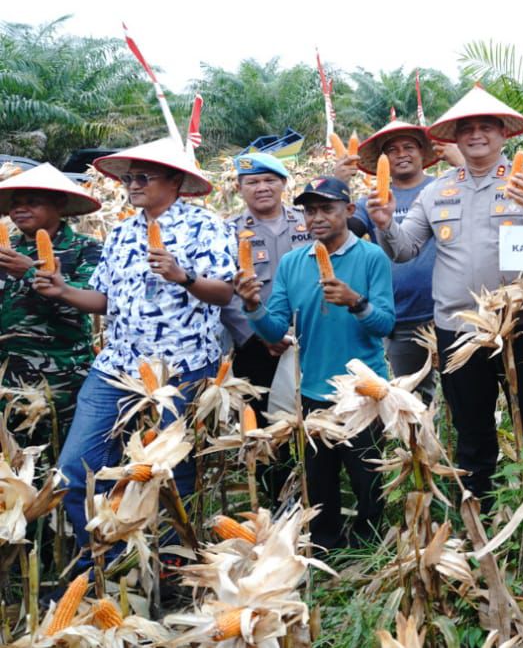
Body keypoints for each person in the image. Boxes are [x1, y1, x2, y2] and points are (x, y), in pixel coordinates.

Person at [370, 85, 523, 500]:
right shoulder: (437, 191)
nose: (476, 135)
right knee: (471, 421)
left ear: (503, 134)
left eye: (486, 127)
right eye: (467, 128)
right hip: (456, 326)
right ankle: (480, 500)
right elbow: (404, 250)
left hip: (519, 320)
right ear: (454, 138)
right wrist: (386, 223)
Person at [59, 139, 237, 558]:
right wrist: (63, 291)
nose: (132, 185)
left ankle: (174, 563)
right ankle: (108, 562)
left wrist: (183, 276)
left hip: (182, 368)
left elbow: (225, 293)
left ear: (175, 181)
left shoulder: (208, 227)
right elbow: (103, 300)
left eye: (143, 177)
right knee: (76, 469)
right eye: (128, 178)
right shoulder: (121, 231)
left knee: (174, 474)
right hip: (118, 365)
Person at [241, 176, 395, 550]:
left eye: (327, 208)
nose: (317, 218)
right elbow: (276, 328)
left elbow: (386, 323)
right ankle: (326, 546)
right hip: (312, 390)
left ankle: (370, 545)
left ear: (349, 210)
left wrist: (356, 301)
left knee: (368, 476)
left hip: (362, 391)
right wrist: (252, 306)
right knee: (320, 480)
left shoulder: (371, 257)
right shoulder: (294, 263)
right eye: (310, 211)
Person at [0, 163, 104, 441]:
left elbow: (87, 300)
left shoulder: (87, 249)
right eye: (15, 204)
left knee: (60, 451)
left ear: (59, 205)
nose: (20, 209)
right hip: (8, 375)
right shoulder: (5, 249)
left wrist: (30, 272)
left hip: (62, 374)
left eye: (32, 203)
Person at [353, 119, 442, 404]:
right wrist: (339, 182)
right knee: (412, 400)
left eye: (408, 147)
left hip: (446, 311)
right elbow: (345, 231)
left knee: (463, 394)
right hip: (400, 317)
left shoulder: (443, 190)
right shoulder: (371, 202)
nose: (401, 154)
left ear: (421, 152)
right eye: (391, 150)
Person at [225, 152, 311, 421]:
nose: (262, 187)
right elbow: (224, 294)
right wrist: (260, 336)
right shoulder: (228, 233)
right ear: (239, 188)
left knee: (315, 417)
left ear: (284, 183)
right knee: (260, 423)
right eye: (252, 182)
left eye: (269, 180)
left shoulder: (309, 222)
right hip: (254, 343)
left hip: (310, 335)